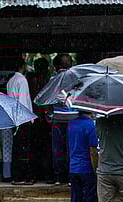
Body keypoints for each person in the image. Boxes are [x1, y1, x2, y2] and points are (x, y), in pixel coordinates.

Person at [68, 111, 98, 202]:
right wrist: (95, 168)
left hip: (73, 167)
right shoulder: (90, 125)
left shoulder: (71, 124)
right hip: (86, 167)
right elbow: (93, 150)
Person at [7, 57, 34, 185]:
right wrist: (28, 118)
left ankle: (16, 176)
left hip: (14, 118)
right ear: (22, 66)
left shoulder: (10, 81)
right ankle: (24, 176)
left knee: (17, 148)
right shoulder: (22, 80)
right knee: (24, 149)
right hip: (23, 118)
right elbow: (23, 100)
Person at [51, 54, 73, 185]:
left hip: (58, 117)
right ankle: (71, 177)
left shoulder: (53, 79)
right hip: (73, 117)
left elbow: (48, 97)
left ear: (56, 66)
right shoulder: (75, 78)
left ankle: (59, 177)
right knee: (72, 148)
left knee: (58, 148)